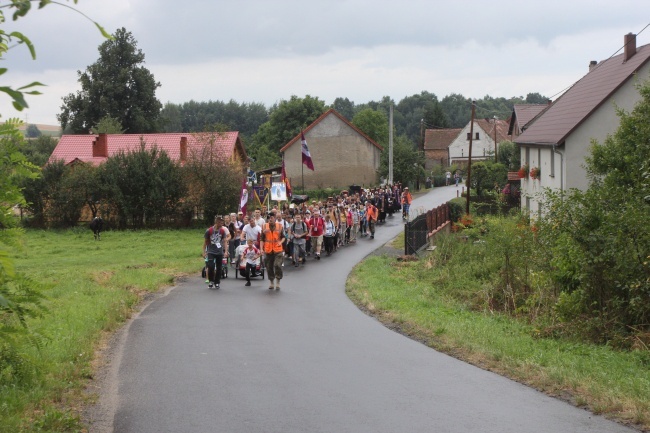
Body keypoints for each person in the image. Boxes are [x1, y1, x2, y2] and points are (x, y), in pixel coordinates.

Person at [203, 215, 231, 289]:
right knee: (211, 266)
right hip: (211, 251)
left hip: (219, 251)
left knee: (219, 267)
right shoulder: (209, 231)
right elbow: (205, 242)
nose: (221, 224)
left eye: (222, 222)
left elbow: (225, 241)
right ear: (216, 222)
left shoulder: (222, 231)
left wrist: (226, 251)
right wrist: (204, 252)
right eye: (220, 222)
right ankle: (211, 281)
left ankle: (217, 282)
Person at [260, 211, 285, 290]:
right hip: (268, 250)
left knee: (277, 265)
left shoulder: (280, 226)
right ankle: (271, 281)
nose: (270, 219)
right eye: (268, 218)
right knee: (269, 266)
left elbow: (284, 237)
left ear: (275, 218)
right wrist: (261, 249)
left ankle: (278, 281)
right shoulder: (264, 226)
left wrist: (280, 242)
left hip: (278, 249)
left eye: (271, 218)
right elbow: (262, 239)